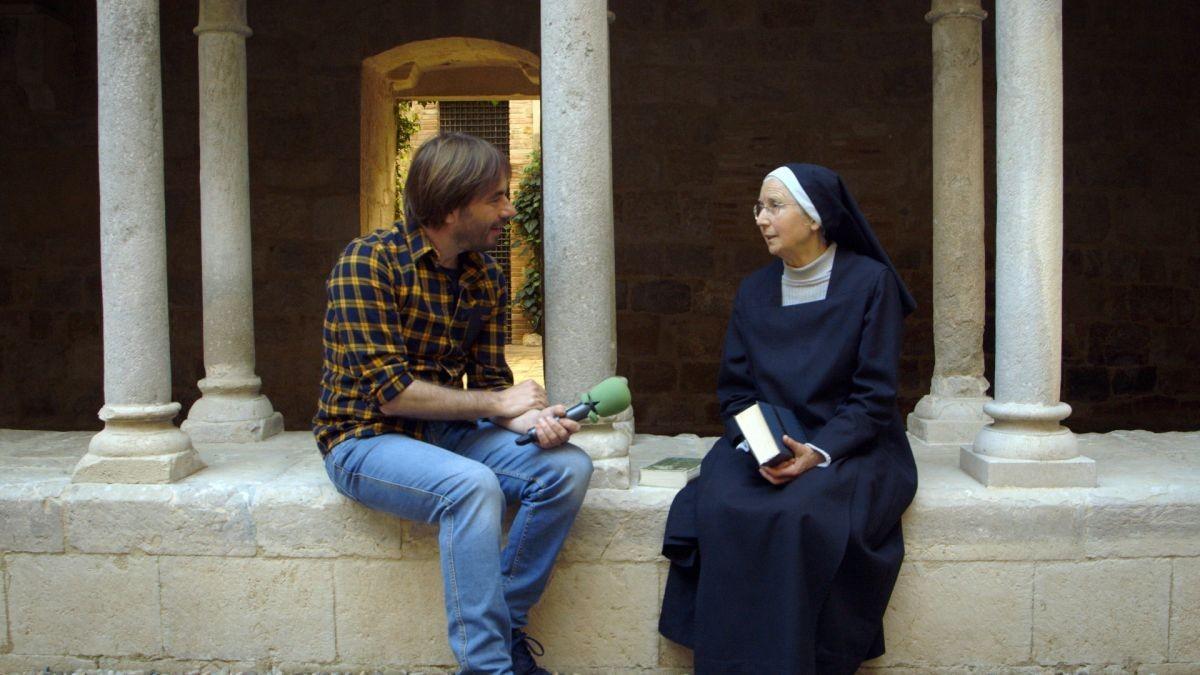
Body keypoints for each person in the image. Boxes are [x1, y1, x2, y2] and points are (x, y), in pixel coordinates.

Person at [313, 132, 593, 675]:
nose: (509, 211)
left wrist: (532, 418)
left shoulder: (484, 275)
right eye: (497, 198)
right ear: (451, 203)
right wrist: (498, 401)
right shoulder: (367, 263)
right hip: (363, 439)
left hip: (446, 435)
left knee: (567, 469)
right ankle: (487, 667)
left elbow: (491, 383)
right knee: (471, 487)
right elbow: (390, 395)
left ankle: (505, 625)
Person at [658, 163, 918, 674]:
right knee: (722, 502)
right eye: (759, 206)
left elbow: (874, 395)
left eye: (775, 206)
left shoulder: (871, 284)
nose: (761, 218)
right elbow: (736, 392)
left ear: (816, 217)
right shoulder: (754, 291)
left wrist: (816, 454)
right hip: (768, 440)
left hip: (850, 442)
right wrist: (763, 445)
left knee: (800, 513)